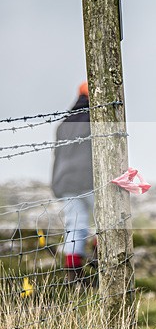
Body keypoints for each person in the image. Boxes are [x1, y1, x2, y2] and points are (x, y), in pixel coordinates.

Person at [51, 81, 95, 286]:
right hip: (89, 178)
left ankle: (73, 274)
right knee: (108, 220)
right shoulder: (96, 119)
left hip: (65, 180)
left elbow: (58, 155)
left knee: (75, 225)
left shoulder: (64, 124)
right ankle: (102, 260)